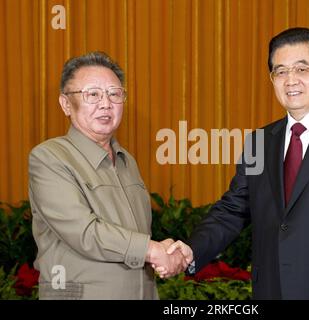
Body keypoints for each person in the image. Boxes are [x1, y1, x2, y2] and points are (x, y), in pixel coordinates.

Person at [163, 27, 309, 299]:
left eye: (301, 69)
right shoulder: (260, 141)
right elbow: (233, 210)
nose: (290, 80)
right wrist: (191, 249)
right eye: (280, 71)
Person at [28, 52, 189, 299]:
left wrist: (162, 248)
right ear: (66, 104)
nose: (106, 103)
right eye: (92, 94)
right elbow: (83, 231)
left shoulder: (127, 161)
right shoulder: (50, 157)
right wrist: (150, 250)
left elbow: (127, 235)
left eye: (114, 94)